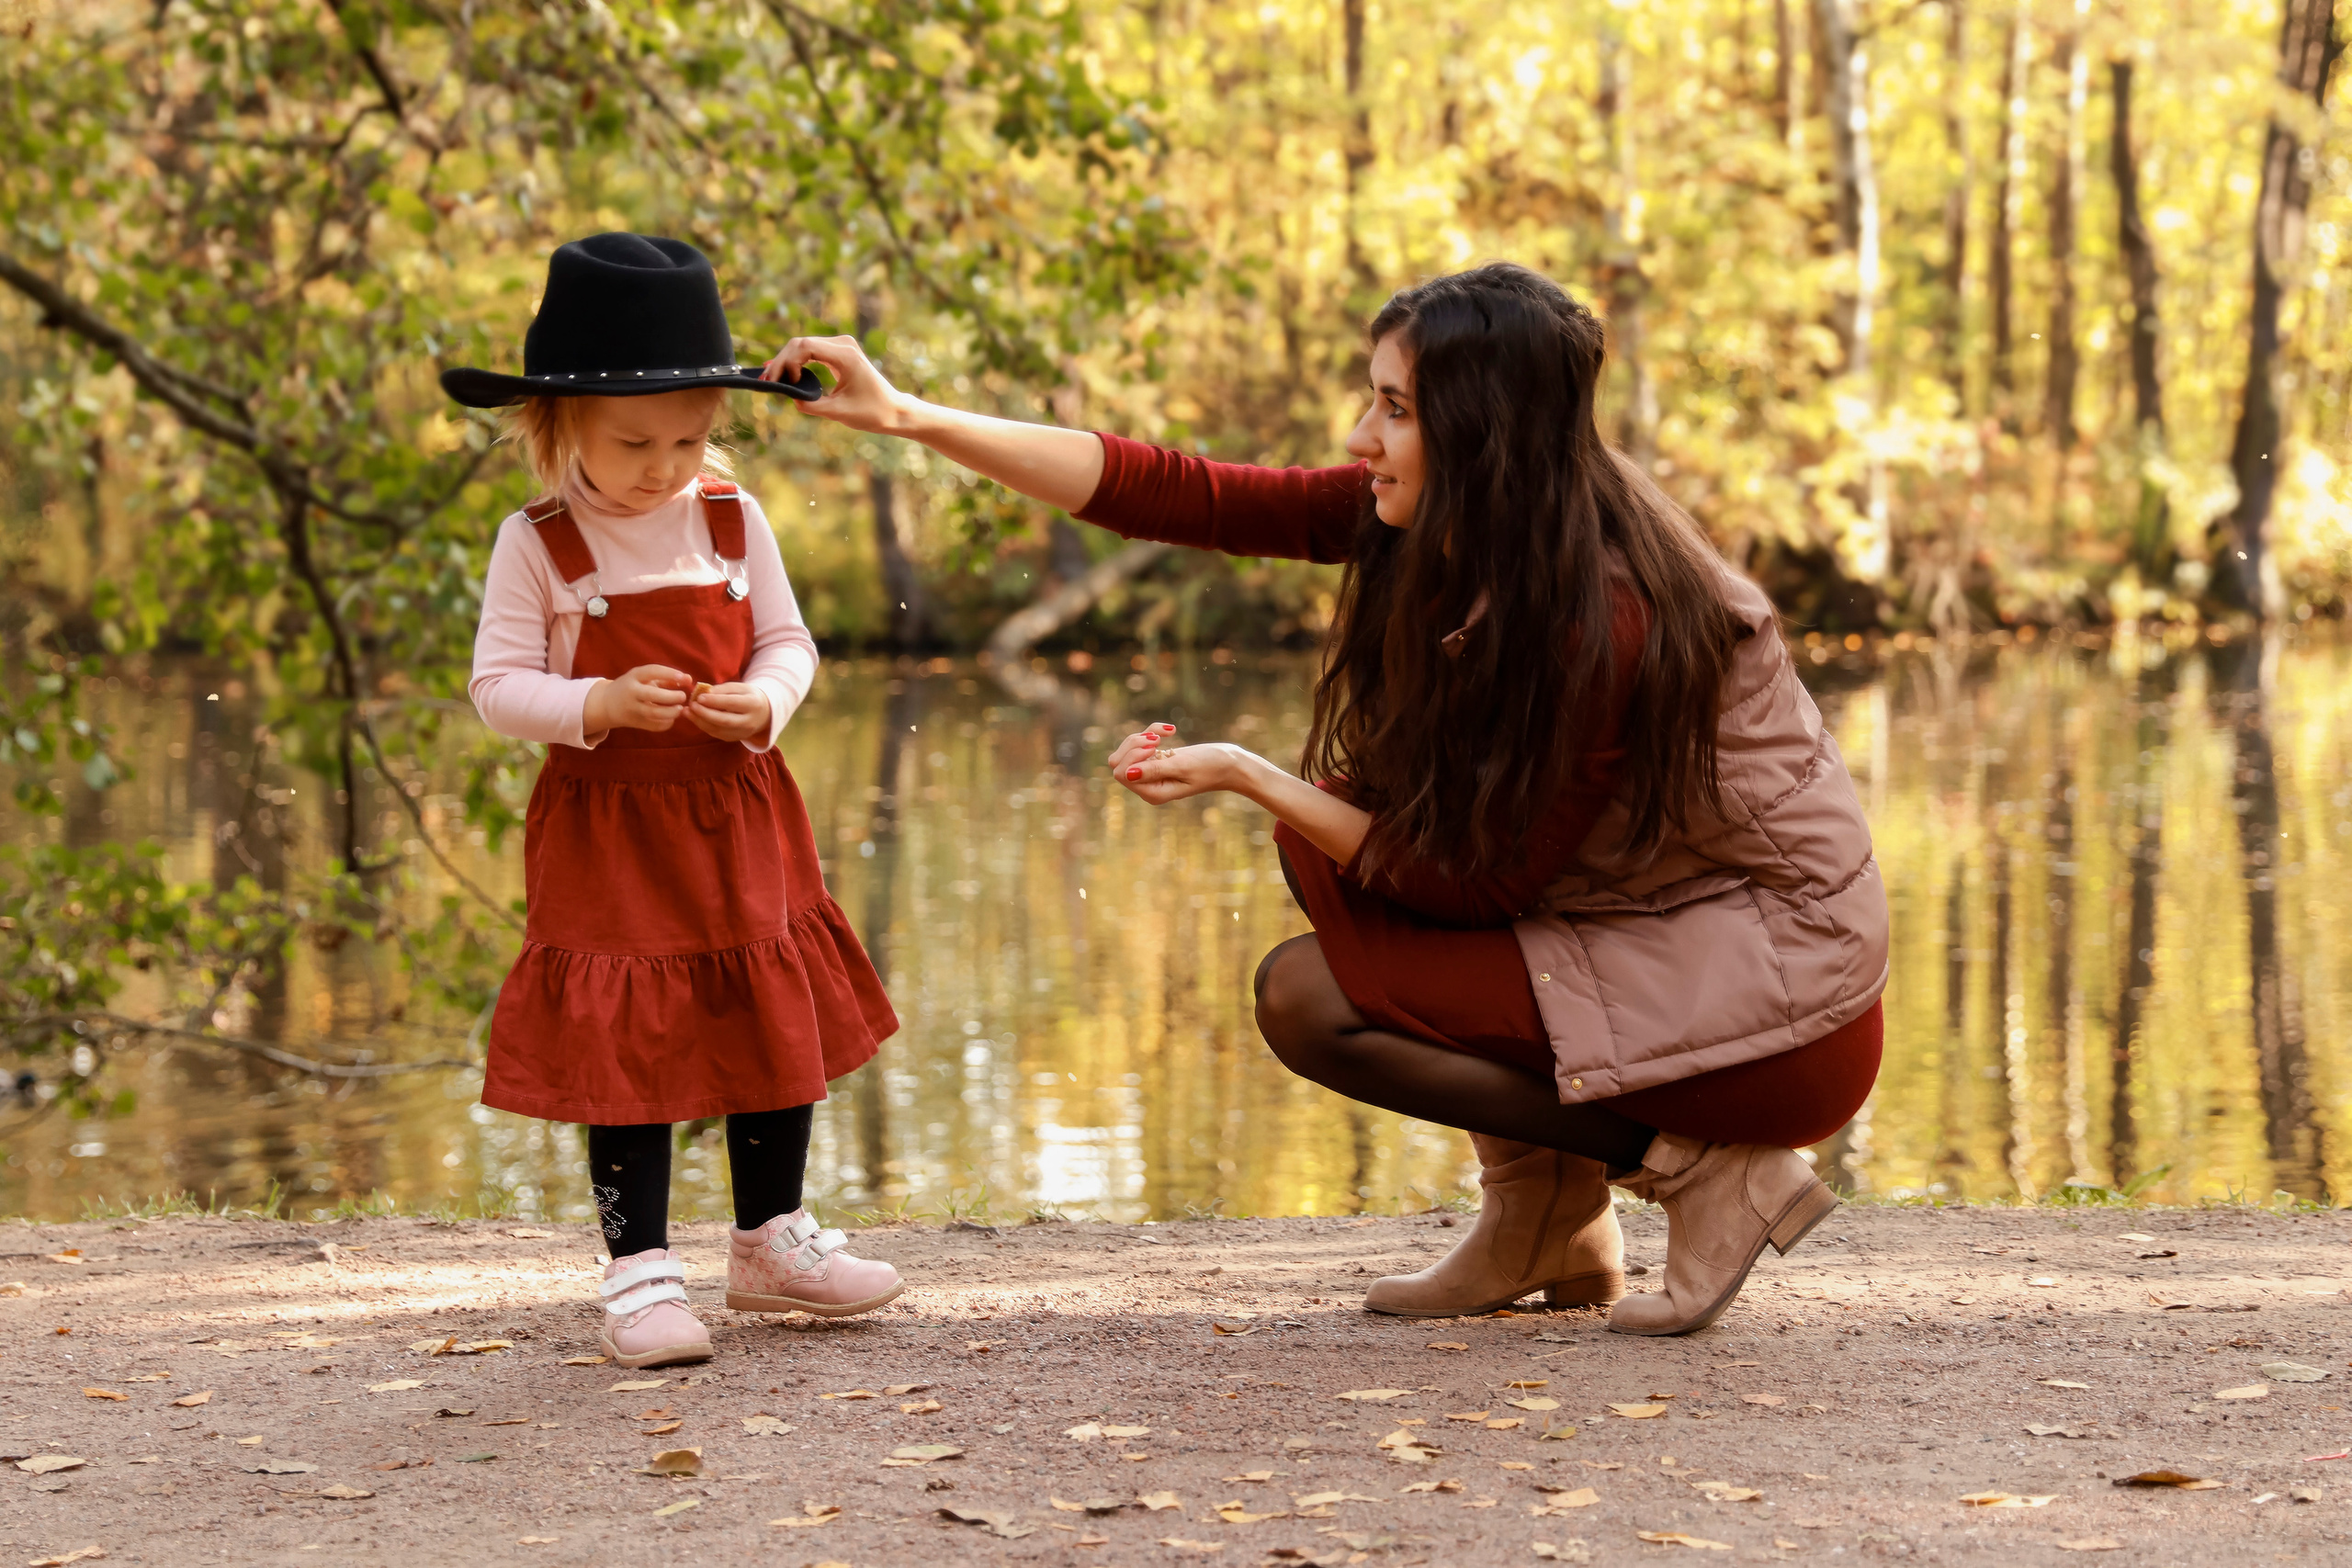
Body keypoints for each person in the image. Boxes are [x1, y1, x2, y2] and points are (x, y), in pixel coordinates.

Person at [764, 261, 1887, 1337]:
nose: (1360, 437)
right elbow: (1180, 492)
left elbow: (1474, 886)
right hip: (1665, 951)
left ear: (1483, 432)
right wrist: (907, 415)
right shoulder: (1474, 522)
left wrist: (1255, 777)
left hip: (1781, 1019)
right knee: (1343, 843)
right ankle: (1545, 1222)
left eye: (1393, 409)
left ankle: (1705, 1172)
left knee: (1313, 993)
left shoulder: (1603, 606)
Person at [447, 232, 904, 1369]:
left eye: (690, 438)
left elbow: (788, 643)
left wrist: (766, 700)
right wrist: (596, 701)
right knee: (630, 1038)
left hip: (738, 808)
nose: (664, 466)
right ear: (557, 429)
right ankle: (640, 1274)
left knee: (766, 1004)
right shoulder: (538, 543)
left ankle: (771, 1238)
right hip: (610, 828)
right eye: (634, 443)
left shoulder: (733, 519)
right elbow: (498, 690)